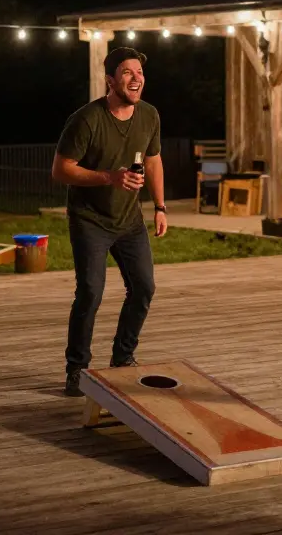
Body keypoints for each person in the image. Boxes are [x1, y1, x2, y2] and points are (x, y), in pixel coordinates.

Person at [53, 46, 166, 397]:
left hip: (129, 219)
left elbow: (154, 160)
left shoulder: (149, 116)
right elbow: (61, 170)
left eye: (140, 73)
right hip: (89, 219)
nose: (137, 78)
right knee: (90, 291)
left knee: (144, 287)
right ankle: (77, 368)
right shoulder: (86, 119)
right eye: (128, 72)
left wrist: (160, 206)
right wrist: (109, 177)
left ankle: (122, 357)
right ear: (111, 80)